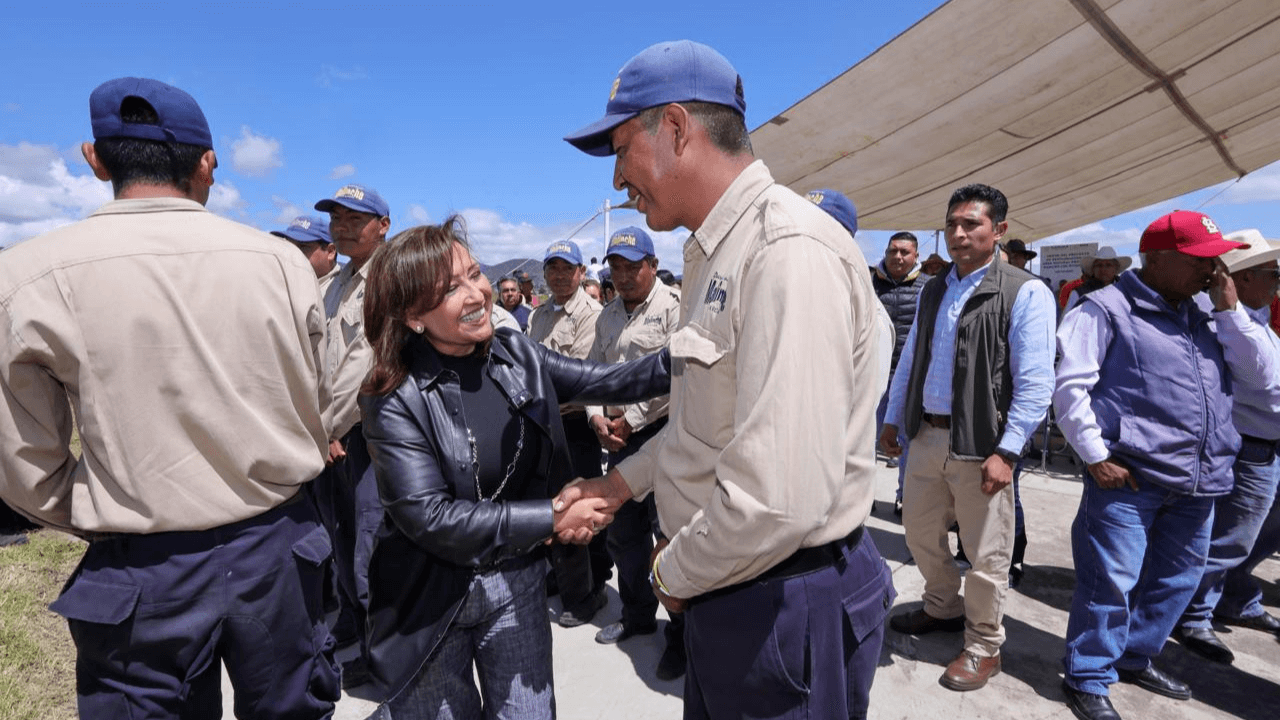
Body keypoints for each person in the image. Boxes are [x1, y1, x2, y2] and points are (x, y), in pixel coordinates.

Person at [560, 39, 895, 719]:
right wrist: (619, 484)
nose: (618, 180)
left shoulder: (784, 251)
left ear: (675, 128)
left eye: (622, 150)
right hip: (734, 585)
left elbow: (778, 497)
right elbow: (706, 423)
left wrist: (671, 571)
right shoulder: (719, 251)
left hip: (780, 599)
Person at [0, 77, 338, 717]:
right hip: (277, 546)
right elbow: (315, 405)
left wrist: (97, 510)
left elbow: (24, 460)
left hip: (140, 565)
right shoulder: (283, 265)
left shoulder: (27, 275)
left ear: (94, 159)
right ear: (207, 163)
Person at [356, 218, 670, 718]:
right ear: (413, 315)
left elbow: (613, 380)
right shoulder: (393, 396)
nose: (476, 294)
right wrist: (552, 517)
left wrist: (692, 355)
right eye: (450, 289)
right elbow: (430, 517)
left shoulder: (515, 353)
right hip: (428, 599)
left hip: (516, 580)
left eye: (474, 274)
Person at [1053, 210, 1249, 720]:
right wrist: (1096, 457)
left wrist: (1230, 312)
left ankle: (1134, 657)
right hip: (1130, 478)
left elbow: (1258, 377)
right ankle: (1088, 675)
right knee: (1110, 583)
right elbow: (1070, 388)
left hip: (1199, 479)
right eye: (1199, 260)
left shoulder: (1207, 311)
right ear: (1156, 259)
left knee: (1176, 581)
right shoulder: (1105, 308)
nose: (1212, 270)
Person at [880, 184, 1056, 692]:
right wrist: (893, 418)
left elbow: (1036, 382)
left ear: (998, 230)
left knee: (986, 554)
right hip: (926, 436)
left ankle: (983, 645)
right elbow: (911, 359)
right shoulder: (934, 288)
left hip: (982, 445)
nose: (958, 233)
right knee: (918, 531)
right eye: (952, 224)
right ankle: (942, 606)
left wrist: (1008, 450)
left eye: (971, 224)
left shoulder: (1025, 292)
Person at [1171, 230, 1280, 663]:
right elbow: (1262, 381)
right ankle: (1193, 614)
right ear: (1244, 277)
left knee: (1255, 536)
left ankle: (1235, 597)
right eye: (1273, 274)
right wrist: (1230, 308)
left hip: (1267, 446)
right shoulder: (1223, 320)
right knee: (1229, 539)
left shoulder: (1253, 319)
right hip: (1249, 447)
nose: (1277, 282)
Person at [585, 226, 686, 678]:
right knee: (623, 534)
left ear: (652, 265)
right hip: (618, 439)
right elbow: (592, 373)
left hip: (666, 433)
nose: (623, 276)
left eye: (632, 267)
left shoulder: (674, 309)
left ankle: (681, 634)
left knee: (670, 535)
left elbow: (678, 375)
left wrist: (634, 418)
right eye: (616, 268)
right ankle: (638, 615)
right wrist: (596, 418)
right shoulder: (607, 316)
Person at [313, 181, 392, 687]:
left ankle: (386, 661)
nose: (341, 228)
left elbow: (366, 365)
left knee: (371, 549)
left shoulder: (388, 281)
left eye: (354, 219)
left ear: (383, 226)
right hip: (329, 434)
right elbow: (315, 360)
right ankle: (355, 627)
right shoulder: (333, 284)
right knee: (338, 538)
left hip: (368, 433)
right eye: (336, 219)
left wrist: (329, 427)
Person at [527, 239, 611, 626]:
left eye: (567, 268)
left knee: (580, 506)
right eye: (553, 268)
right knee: (551, 504)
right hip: (545, 422)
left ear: (581, 273)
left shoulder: (591, 315)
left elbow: (575, 375)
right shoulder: (539, 315)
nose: (559, 276)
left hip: (575, 424)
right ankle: (565, 577)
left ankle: (589, 592)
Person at [868, 228, 928, 506]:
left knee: (907, 441)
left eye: (905, 252)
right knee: (866, 438)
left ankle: (904, 496)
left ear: (916, 255)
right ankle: (862, 497)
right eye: (893, 251)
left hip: (909, 377)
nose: (898, 256)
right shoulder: (868, 282)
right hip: (872, 374)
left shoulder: (928, 288)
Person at [272, 214, 343, 295]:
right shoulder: (281, 284)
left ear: (330, 252)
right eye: (289, 245)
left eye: (303, 247)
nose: (293, 253)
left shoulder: (344, 291)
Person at [1063, 247, 1131, 313]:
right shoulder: (1079, 294)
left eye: (1108, 265)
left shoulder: (1126, 292)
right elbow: (1068, 318)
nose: (1103, 269)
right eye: (1099, 265)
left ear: (1116, 269)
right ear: (1093, 269)